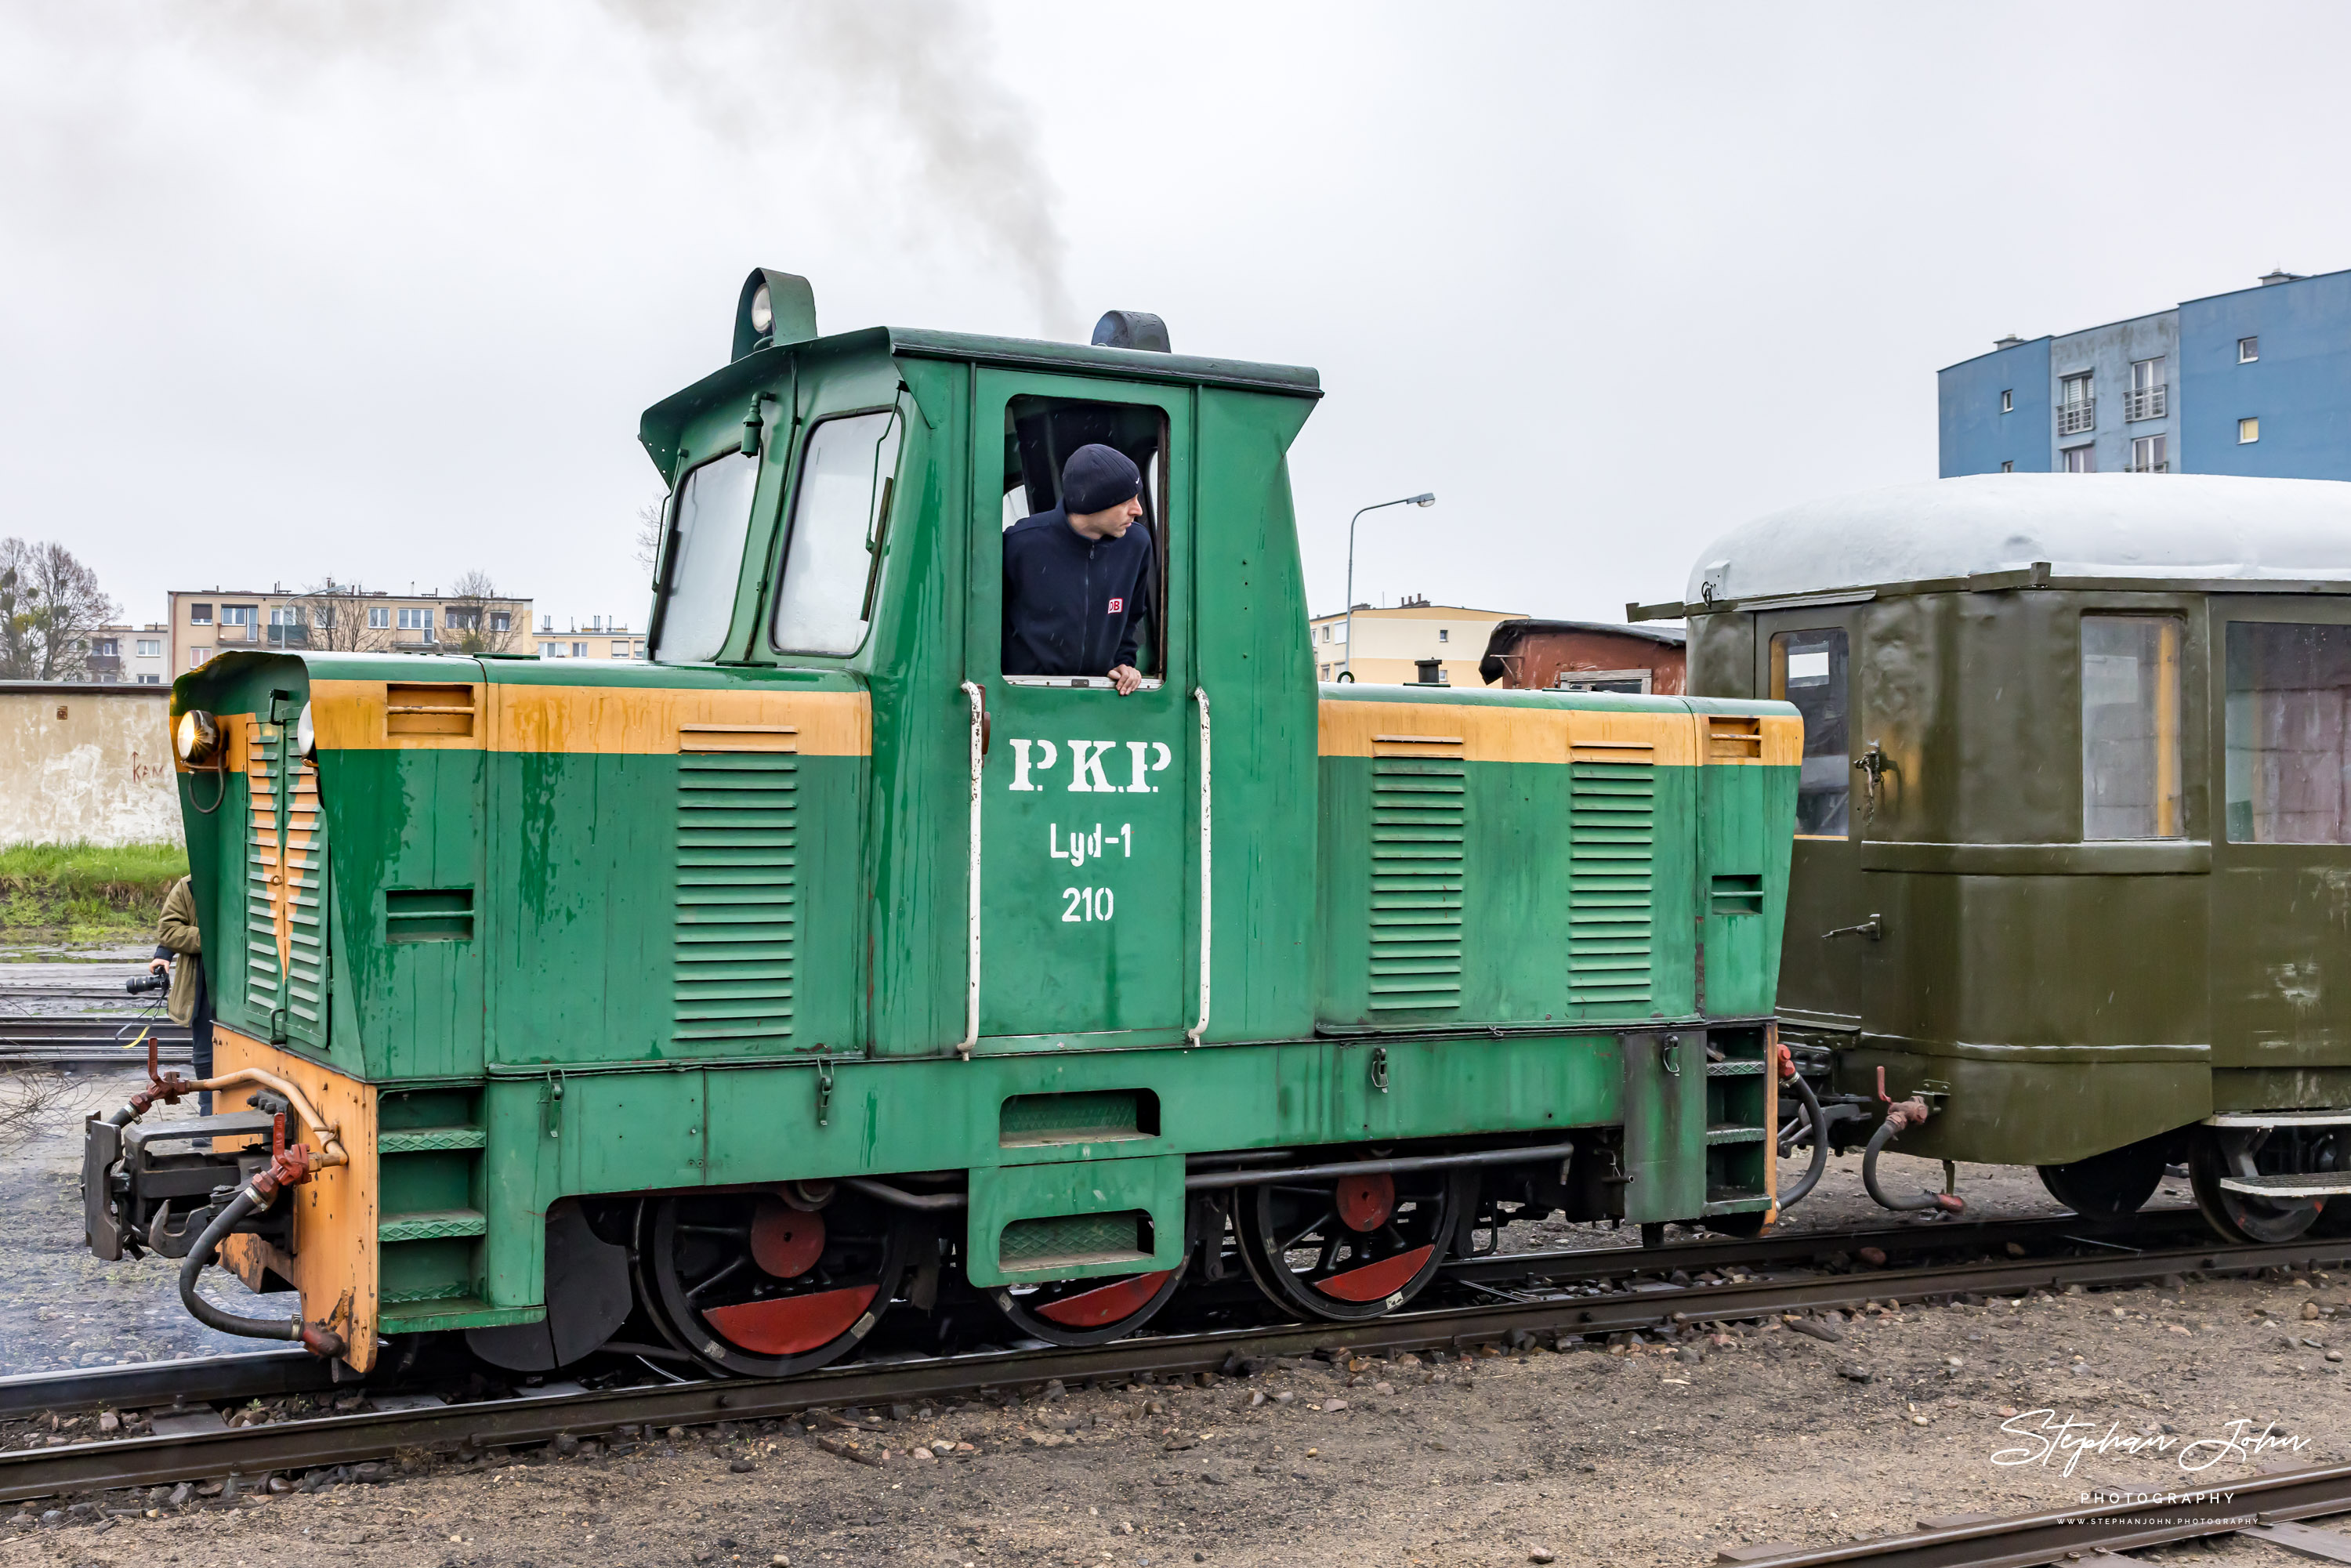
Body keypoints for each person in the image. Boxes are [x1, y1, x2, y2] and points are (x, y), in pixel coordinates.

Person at [1002, 443, 1156, 695]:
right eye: (1127, 500)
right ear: (1096, 501)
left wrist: (1124, 663)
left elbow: (1130, 619)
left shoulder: (1136, 545)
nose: (1138, 510)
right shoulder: (1019, 545)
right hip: (1023, 701)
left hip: (1099, 701)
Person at [149, 875, 213, 1114]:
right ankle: (208, 1118)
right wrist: (212, 937)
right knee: (205, 1056)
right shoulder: (189, 886)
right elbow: (170, 929)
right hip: (203, 984)